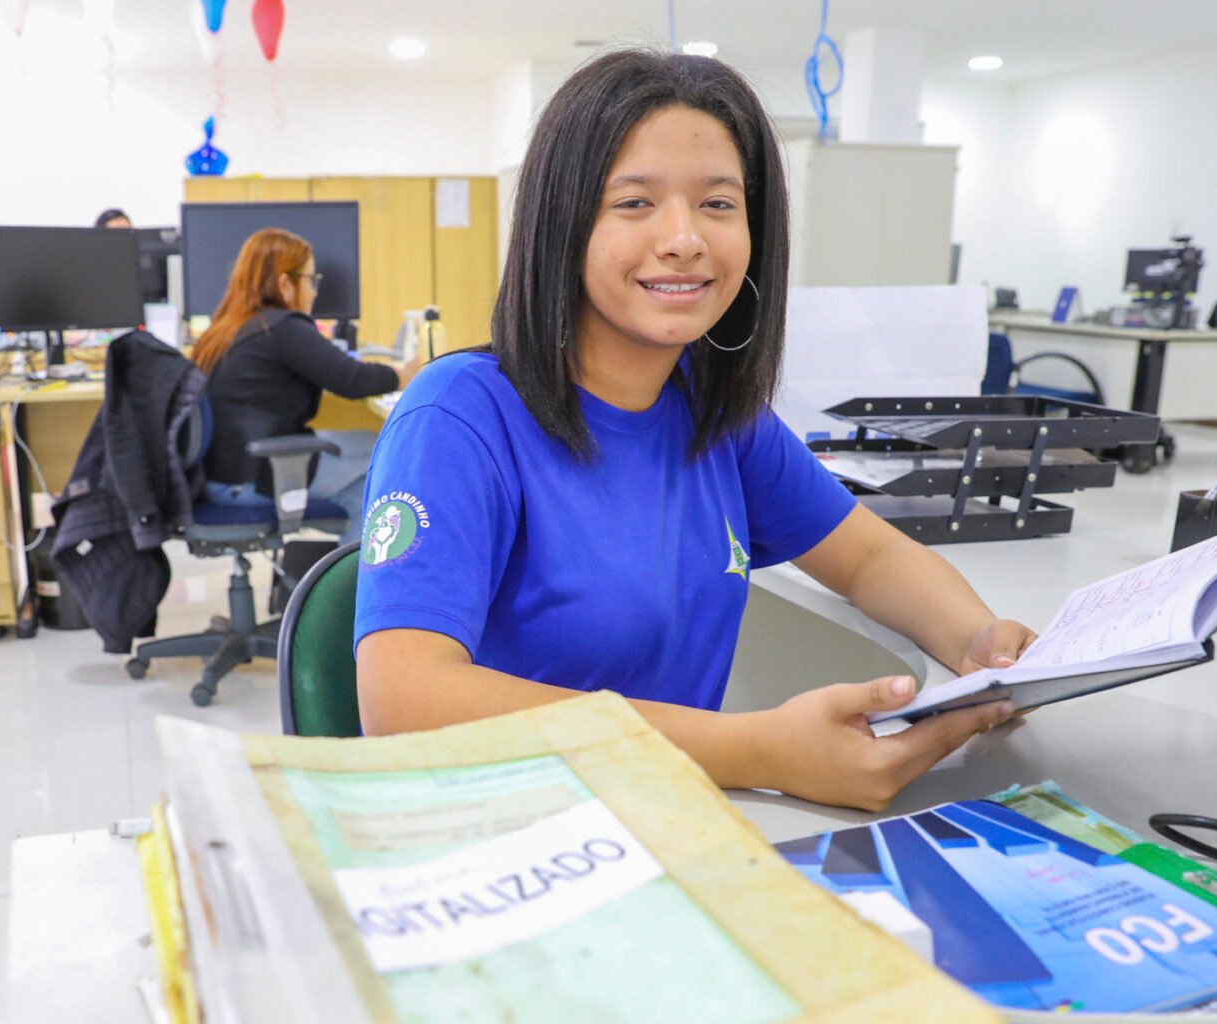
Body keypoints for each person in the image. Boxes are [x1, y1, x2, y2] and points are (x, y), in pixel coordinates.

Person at [352, 51, 1035, 813]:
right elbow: (402, 700)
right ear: (561, 222)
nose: (684, 239)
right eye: (635, 203)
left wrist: (977, 643)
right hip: (499, 831)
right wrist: (757, 751)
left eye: (717, 204)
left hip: (664, 822)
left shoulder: (720, 412)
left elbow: (868, 555)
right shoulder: (461, 414)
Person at [192, 228, 420, 536]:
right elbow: (351, 379)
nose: (314, 292)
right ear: (286, 284)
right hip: (257, 476)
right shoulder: (283, 327)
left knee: (365, 494)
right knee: (391, 451)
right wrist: (403, 374)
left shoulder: (224, 329)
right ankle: (350, 581)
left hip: (220, 476)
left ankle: (332, 576)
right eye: (311, 280)